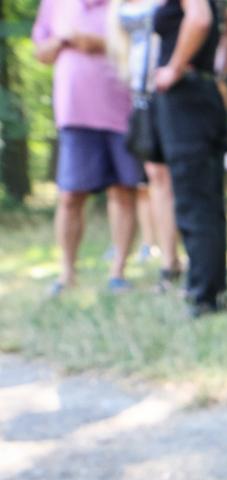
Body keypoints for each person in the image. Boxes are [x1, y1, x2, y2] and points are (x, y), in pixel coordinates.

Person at [31, 0, 139, 296]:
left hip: (122, 109)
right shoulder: (54, 5)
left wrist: (101, 43)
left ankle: (118, 272)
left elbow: (144, 42)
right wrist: (64, 39)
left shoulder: (123, 3)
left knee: (124, 192)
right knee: (70, 195)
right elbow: (41, 52)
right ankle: (67, 273)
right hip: (74, 110)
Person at [151, 0, 227, 317]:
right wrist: (216, 70)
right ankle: (212, 289)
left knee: (193, 198)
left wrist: (174, 67)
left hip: (186, 95)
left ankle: (202, 293)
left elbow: (199, 19)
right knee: (208, 198)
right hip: (205, 90)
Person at [108, 0, 182, 290]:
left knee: (174, 178)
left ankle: (185, 258)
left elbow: (217, 21)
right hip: (140, 95)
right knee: (155, 179)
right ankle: (169, 261)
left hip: (173, 89)